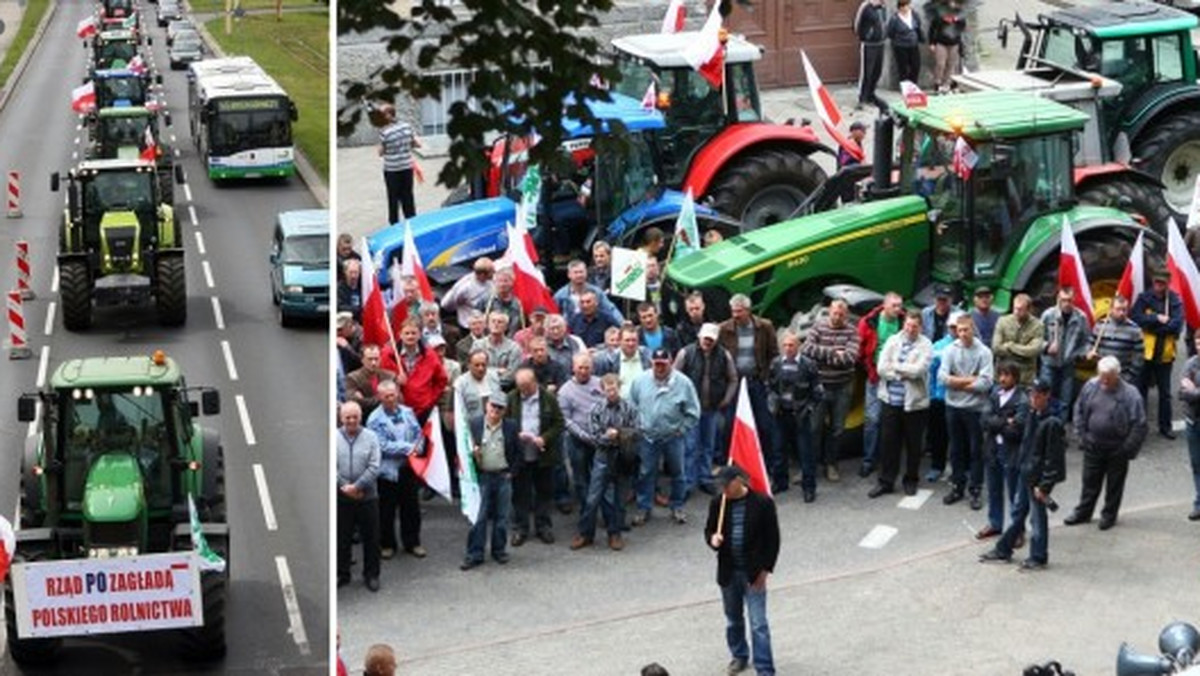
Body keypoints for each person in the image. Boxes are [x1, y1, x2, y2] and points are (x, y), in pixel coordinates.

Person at [978, 377, 1066, 570]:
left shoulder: (1051, 423)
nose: (1033, 399)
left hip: (1036, 480)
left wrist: (1044, 487)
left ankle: (1038, 556)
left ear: (1046, 396)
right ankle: (1003, 549)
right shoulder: (1033, 414)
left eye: (1037, 395)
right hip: (1025, 474)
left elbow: (1053, 460)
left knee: (1037, 519)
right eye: (1031, 394)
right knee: (1018, 514)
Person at [704, 465, 780, 676]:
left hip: (753, 573)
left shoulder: (763, 503)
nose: (724, 490)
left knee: (758, 623)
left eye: (726, 485)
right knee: (733, 619)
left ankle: (764, 668)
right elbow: (709, 530)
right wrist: (713, 539)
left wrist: (765, 571)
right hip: (729, 572)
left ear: (739, 481)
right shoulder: (718, 503)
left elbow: (772, 541)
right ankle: (739, 655)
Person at [1064, 356, 1148, 530]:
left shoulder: (1130, 394)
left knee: (1114, 485)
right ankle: (1083, 512)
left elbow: (1139, 424)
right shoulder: (1091, 386)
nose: (1104, 381)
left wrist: (1127, 449)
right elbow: (1078, 410)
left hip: (1117, 448)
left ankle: (1109, 515)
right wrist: (1082, 436)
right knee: (1089, 482)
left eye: (1108, 378)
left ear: (1117, 375)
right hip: (1093, 445)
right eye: (1101, 376)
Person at [629, 349, 700, 526]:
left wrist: (682, 429)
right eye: (656, 364)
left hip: (673, 437)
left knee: (678, 472)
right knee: (646, 472)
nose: (660, 367)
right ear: (651, 363)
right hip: (648, 437)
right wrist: (638, 426)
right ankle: (644, 507)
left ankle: (677, 505)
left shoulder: (684, 383)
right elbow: (630, 406)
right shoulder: (640, 381)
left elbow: (693, 412)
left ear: (671, 362)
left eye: (663, 364)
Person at [573, 373, 640, 551]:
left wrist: (618, 434)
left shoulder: (630, 408)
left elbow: (637, 431)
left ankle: (615, 533)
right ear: (602, 390)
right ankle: (586, 533)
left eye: (614, 389)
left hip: (623, 457)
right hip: (602, 457)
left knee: (620, 499)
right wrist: (608, 437)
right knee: (592, 498)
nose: (611, 392)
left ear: (619, 388)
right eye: (607, 389)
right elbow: (594, 437)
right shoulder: (596, 409)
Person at [719, 294, 780, 489]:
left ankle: (766, 468)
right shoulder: (724, 329)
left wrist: (769, 378)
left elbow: (773, 354)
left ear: (748, 310)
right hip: (735, 384)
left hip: (757, 383)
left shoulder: (765, 327)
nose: (735, 315)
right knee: (730, 427)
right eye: (733, 311)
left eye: (739, 311)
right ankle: (731, 472)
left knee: (764, 425)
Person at [873, 313, 932, 498]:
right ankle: (886, 482)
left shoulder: (926, 345)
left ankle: (911, 480)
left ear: (920, 327)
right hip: (891, 400)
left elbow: (918, 371)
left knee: (914, 445)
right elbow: (881, 368)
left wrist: (896, 366)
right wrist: (901, 372)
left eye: (914, 326)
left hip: (914, 404)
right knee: (888, 443)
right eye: (907, 325)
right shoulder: (893, 340)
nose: (910, 329)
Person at [461, 392, 522, 570]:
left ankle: (499, 551)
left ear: (505, 410)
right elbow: (464, 453)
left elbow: (519, 453)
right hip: (482, 477)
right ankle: (475, 554)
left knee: (502, 517)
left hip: (503, 476)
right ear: (486, 405)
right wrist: (473, 457)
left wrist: (512, 472)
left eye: (500, 407)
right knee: (478, 518)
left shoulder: (511, 426)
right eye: (493, 405)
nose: (495, 410)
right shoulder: (475, 424)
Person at [938, 313, 994, 509]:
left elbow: (986, 382)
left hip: (975, 409)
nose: (962, 334)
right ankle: (957, 486)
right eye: (959, 330)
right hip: (953, 407)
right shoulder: (949, 350)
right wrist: (970, 379)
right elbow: (942, 378)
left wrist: (956, 382)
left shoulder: (984, 352)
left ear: (973, 329)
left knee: (976, 450)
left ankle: (975, 489)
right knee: (955, 449)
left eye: (966, 330)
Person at [676, 322, 738, 497]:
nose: (707, 342)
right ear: (699, 337)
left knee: (708, 446)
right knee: (690, 447)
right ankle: (688, 482)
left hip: (712, 408)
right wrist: (680, 403)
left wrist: (726, 399)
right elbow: (674, 379)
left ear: (716, 340)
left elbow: (733, 378)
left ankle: (705, 479)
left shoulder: (724, 355)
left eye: (711, 339)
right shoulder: (685, 353)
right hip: (690, 411)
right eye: (705, 338)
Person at [366, 380, 426, 560]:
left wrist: (419, 446)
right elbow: (382, 445)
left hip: (408, 468)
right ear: (380, 398)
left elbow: (418, 433)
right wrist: (408, 448)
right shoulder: (374, 419)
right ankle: (387, 544)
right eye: (387, 396)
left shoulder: (407, 412)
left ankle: (412, 542)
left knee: (411, 508)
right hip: (388, 472)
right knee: (387, 510)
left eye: (393, 395)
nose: (391, 399)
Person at [506, 367, 565, 545]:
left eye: (526, 386)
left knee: (544, 491)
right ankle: (520, 527)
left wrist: (544, 438)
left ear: (534, 383)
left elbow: (559, 422)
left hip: (543, 454)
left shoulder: (548, 398)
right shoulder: (511, 398)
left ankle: (543, 526)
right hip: (520, 455)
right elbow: (504, 423)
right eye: (520, 387)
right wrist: (515, 435)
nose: (523, 390)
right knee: (520, 493)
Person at [803, 299, 860, 481]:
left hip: (842, 388)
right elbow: (806, 349)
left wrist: (824, 354)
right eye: (835, 313)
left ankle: (831, 464)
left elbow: (851, 357)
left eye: (841, 314)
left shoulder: (852, 331)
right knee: (814, 428)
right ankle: (809, 465)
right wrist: (835, 353)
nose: (837, 317)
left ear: (846, 314)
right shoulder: (818, 327)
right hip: (820, 387)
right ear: (829, 311)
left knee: (837, 429)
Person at [768, 329, 824, 502]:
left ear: (798, 346)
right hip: (781, 415)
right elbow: (769, 387)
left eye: (791, 345)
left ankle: (809, 487)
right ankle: (780, 482)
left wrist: (809, 409)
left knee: (805, 453)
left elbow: (818, 392)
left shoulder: (809, 365)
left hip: (800, 416)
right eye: (784, 345)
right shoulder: (776, 364)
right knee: (778, 450)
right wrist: (772, 404)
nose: (787, 348)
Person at [976, 362, 1028, 540]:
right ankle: (995, 523)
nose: (1002, 378)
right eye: (1000, 375)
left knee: (1015, 493)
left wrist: (996, 422)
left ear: (1015, 377)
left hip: (1011, 452)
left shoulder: (1022, 400)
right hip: (992, 449)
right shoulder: (994, 393)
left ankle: (1017, 530)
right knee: (994, 489)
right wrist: (1007, 420)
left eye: (1007, 375)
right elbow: (984, 420)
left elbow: (1017, 431)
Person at [857, 292, 905, 478]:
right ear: (884, 305)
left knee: (894, 421)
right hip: (876, 377)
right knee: (872, 419)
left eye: (899, 305)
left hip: (897, 377)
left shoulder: (903, 322)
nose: (898, 309)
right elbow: (861, 348)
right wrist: (869, 368)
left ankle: (890, 461)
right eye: (894, 305)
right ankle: (869, 460)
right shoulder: (869, 322)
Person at [1133, 268, 1184, 439]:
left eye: (1161, 283)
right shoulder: (1144, 298)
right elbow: (1136, 318)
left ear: (1167, 284)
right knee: (1140, 391)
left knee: (1165, 393)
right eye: (1156, 282)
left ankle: (1165, 426)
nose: (1158, 285)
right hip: (1146, 352)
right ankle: (1140, 426)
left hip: (1165, 354)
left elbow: (1176, 325)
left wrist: (1152, 326)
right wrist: (1157, 318)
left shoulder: (1175, 300)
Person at [336, 401, 381, 591]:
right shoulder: (333, 437)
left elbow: (374, 466)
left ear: (360, 417)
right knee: (342, 538)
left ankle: (371, 575)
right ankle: (342, 573)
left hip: (367, 496)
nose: (352, 421)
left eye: (355, 417)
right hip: (342, 498)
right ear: (341, 418)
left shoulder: (371, 437)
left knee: (371, 539)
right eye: (348, 417)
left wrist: (358, 486)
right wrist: (345, 486)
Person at [1039, 286, 1089, 421]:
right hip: (1049, 364)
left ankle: (1061, 429)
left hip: (1068, 365)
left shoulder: (1081, 318)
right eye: (1063, 300)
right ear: (1057, 300)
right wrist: (1047, 347)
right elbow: (1035, 339)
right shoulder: (1048, 315)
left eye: (1069, 300)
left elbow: (1086, 343)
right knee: (1045, 397)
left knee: (1065, 400)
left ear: (1074, 300)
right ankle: (1045, 426)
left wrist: (1080, 354)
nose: (1066, 304)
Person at [394, 318, 449, 423]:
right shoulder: (389, 355)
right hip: (398, 410)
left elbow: (442, 379)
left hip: (424, 410)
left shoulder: (430, 355)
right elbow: (382, 379)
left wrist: (430, 399)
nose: (410, 336)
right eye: (407, 333)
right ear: (400, 334)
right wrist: (395, 380)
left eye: (414, 333)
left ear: (419, 335)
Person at [1087, 294, 1144, 385]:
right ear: (1111, 310)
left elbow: (1139, 357)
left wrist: (1130, 376)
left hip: (1123, 378)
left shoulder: (1135, 330)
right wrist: (1089, 352)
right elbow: (1090, 344)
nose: (1121, 313)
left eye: (1124, 310)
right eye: (1118, 309)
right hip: (1101, 376)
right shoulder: (1100, 325)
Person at [377, 102, 419, 225]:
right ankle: (411, 222)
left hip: (392, 169)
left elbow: (380, 152)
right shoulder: (407, 126)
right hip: (407, 166)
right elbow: (416, 143)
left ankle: (394, 224)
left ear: (389, 115)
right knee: (408, 195)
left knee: (393, 197)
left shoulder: (384, 132)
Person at [992, 293, 1043, 386]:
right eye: (1015, 308)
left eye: (1020, 309)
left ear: (1029, 310)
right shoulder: (1003, 321)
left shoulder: (1037, 326)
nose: (1016, 312)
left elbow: (1033, 350)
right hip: (1003, 376)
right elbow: (996, 348)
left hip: (1025, 378)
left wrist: (1010, 346)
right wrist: (1022, 352)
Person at [344, 344, 398, 420]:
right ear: (362, 360)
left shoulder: (390, 376)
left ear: (380, 359)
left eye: (376, 359)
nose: (373, 363)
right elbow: (354, 402)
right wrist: (385, 397)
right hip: (365, 418)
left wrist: (366, 400)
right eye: (370, 359)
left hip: (390, 417)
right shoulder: (353, 378)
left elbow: (398, 399)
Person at [1178, 333, 1200, 521]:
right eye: (1197, 343)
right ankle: (1199, 503)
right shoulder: (1190, 364)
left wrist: (1193, 391)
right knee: (1196, 464)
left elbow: (1190, 393)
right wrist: (1192, 393)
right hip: (1193, 421)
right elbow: (1181, 393)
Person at [441, 257, 494, 329]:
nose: (494, 273)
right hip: (469, 327)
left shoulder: (491, 281)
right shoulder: (464, 287)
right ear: (482, 275)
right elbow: (446, 304)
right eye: (491, 272)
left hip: (486, 325)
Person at [853, 0, 888, 111]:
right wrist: (866, 35)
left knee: (877, 71)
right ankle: (862, 98)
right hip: (869, 45)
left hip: (880, 44)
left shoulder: (882, 7)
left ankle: (870, 95)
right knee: (867, 72)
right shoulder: (865, 6)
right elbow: (856, 25)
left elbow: (883, 23)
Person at [926, 0, 966, 93]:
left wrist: (957, 20)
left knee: (951, 64)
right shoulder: (939, 15)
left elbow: (963, 27)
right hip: (941, 43)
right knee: (940, 64)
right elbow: (932, 29)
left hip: (954, 43)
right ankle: (937, 83)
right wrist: (931, 43)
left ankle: (946, 84)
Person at [887, 0, 924, 85]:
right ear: (900, 8)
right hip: (900, 46)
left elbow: (918, 25)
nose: (908, 8)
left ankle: (913, 84)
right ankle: (905, 85)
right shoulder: (895, 18)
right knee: (903, 67)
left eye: (908, 5)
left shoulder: (914, 15)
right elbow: (890, 32)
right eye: (905, 6)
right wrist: (898, 38)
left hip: (913, 44)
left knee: (916, 66)